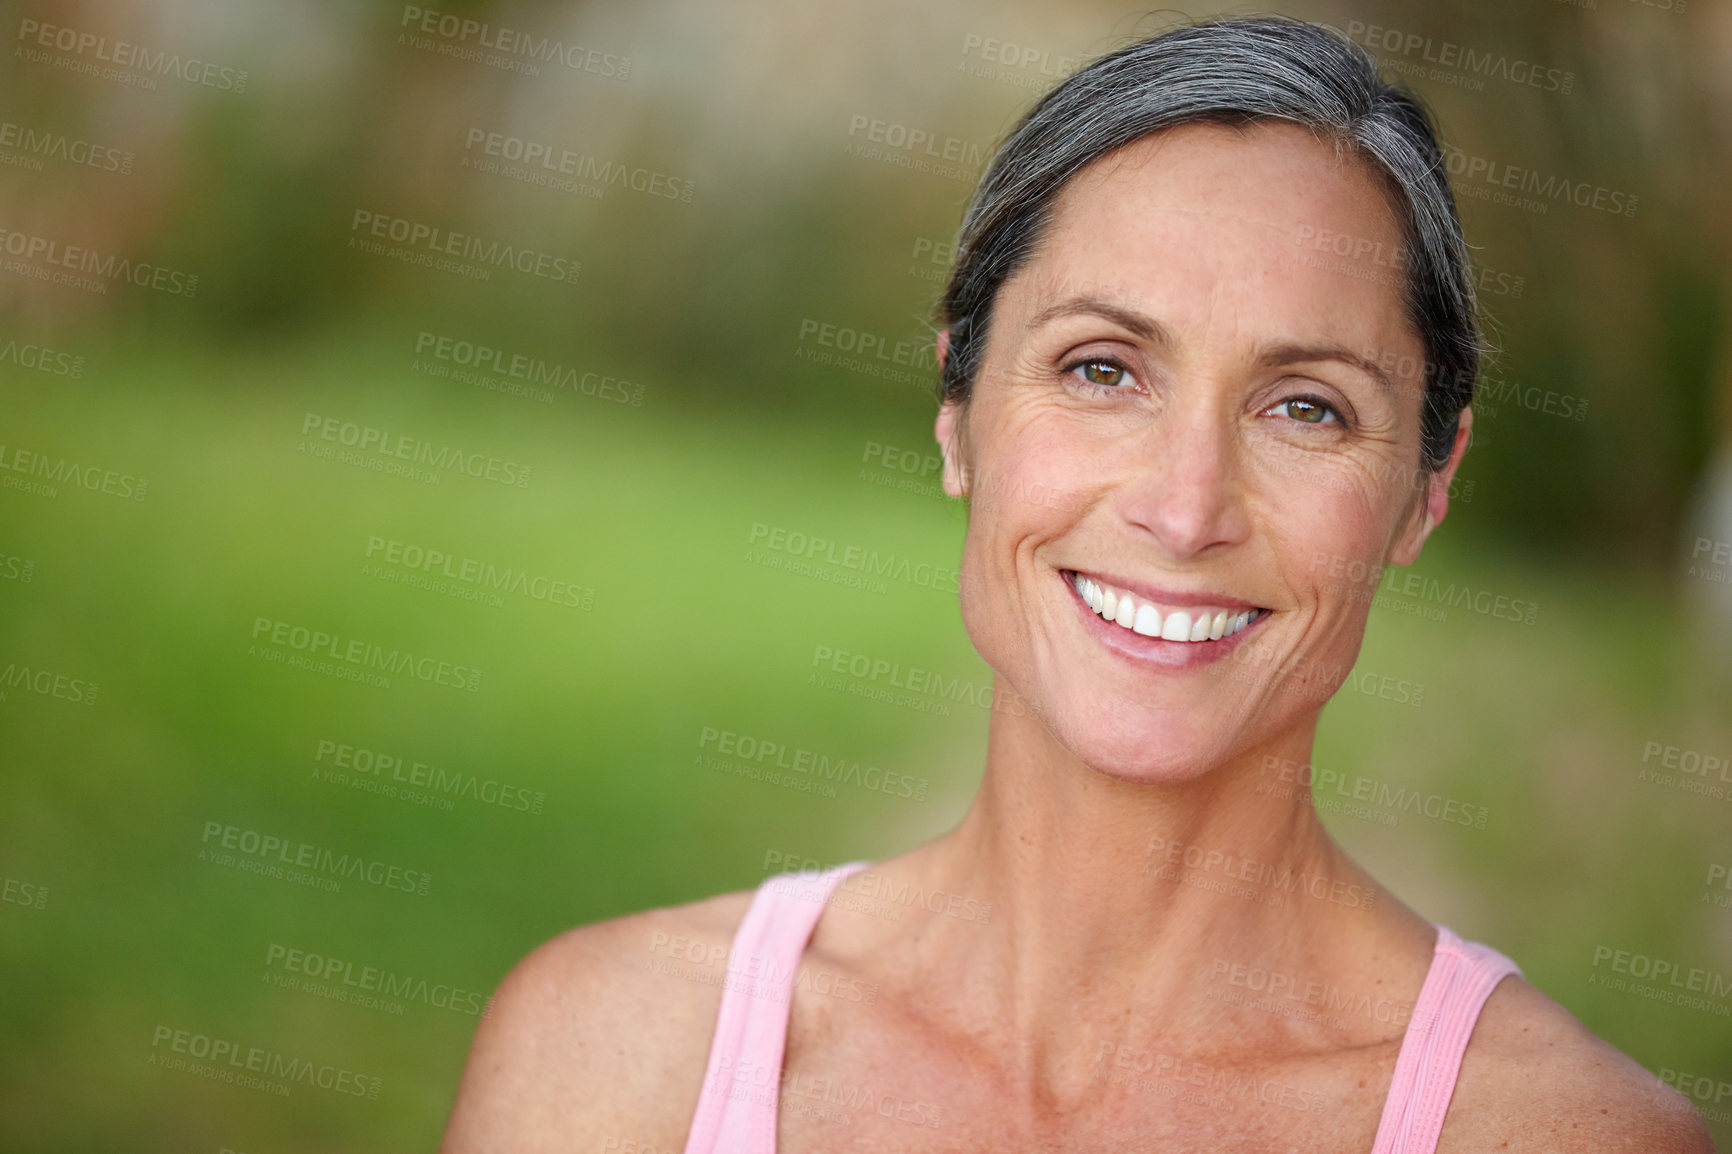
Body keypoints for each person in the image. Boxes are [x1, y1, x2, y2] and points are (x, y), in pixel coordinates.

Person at [440, 17, 1714, 1153]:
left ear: (1426, 487)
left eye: (1306, 405)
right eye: (1103, 370)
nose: (1185, 505)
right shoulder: (606, 1056)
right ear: (958, 411)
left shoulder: (1559, 1132)